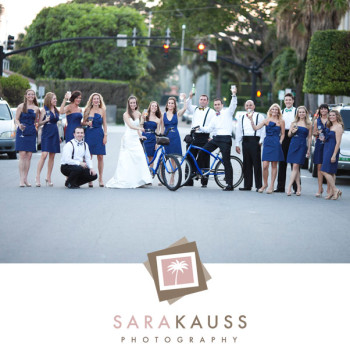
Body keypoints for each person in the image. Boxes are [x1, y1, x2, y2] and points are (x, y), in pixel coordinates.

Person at [106, 96, 152, 189]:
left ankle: (140, 180)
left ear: (136, 103)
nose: (132, 104)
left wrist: (140, 135)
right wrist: (139, 128)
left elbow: (138, 125)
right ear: (128, 104)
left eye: (134, 103)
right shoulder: (125, 114)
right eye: (131, 103)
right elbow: (131, 126)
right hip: (128, 138)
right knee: (128, 159)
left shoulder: (139, 113)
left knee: (139, 157)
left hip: (135, 138)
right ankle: (128, 180)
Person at [196, 87, 237, 191]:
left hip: (226, 139)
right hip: (216, 138)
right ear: (213, 106)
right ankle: (200, 172)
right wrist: (199, 128)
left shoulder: (228, 112)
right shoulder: (214, 116)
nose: (217, 106)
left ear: (222, 105)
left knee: (226, 161)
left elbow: (233, 105)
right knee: (202, 152)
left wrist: (234, 94)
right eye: (215, 105)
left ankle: (229, 184)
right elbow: (209, 128)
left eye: (218, 104)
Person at [249, 103, 285, 194]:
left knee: (274, 165)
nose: (274, 111)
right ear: (270, 110)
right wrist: (251, 120)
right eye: (273, 109)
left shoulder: (281, 121)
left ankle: (272, 185)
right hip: (268, 142)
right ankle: (265, 184)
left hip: (276, 143)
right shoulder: (266, 120)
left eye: (276, 110)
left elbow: (283, 133)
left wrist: (280, 141)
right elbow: (255, 128)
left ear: (278, 112)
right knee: (265, 166)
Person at [186, 92, 216, 187]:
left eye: (204, 100)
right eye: (201, 99)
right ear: (199, 101)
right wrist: (190, 97)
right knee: (190, 157)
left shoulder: (211, 112)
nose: (202, 101)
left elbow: (214, 125)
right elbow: (187, 105)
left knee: (205, 158)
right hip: (194, 136)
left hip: (205, 136)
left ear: (207, 102)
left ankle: (204, 180)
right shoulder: (195, 109)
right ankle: (189, 180)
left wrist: (211, 136)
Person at [235, 100, 265, 191]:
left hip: (255, 140)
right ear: (245, 107)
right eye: (247, 105)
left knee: (256, 164)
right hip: (245, 140)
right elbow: (239, 131)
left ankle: (259, 185)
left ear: (254, 106)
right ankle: (247, 185)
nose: (249, 107)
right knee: (247, 164)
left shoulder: (259, 116)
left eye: (251, 105)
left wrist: (261, 141)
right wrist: (237, 144)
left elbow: (263, 129)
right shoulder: (242, 117)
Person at [15, 89, 40, 187]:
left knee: (29, 156)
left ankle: (25, 178)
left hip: (31, 132)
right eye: (29, 94)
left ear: (34, 96)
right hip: (21, 131)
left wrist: (37, 127)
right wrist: (19, 124)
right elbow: (16, 119)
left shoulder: (36, 108)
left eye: (33, 94)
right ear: (25, 96)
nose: (31, 96)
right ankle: (21, 180)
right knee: (22, 155)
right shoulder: (21, 106)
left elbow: (36, 121)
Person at [35, 92, 61, 187]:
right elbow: (39, 123)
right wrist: (45, 120)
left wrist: (58, 137)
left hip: (54, 133)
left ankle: (48, 177)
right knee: (44, 155)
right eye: (54, 99)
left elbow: (56, 123)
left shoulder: (56, 110)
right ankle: (37, 177)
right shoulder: (44, 110)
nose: (56, 100)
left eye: (56, 99)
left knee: (52, 156)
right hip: (46, 133)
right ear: (49, 100)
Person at [286, 106, 312, 196]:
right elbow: (289, 135)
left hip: (302, 146)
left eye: (303, 112)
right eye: (300, 112)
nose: (301, 114)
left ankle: (289, 187)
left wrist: (309, 149)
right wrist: (293, 131)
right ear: (297, 113)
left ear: (306, 113)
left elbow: (309, 138)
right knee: (295, 167)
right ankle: (298, 187)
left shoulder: (309, 124)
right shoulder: (294, 123)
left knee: (296, 166)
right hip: (293, 144)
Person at [83, 93, 107, 187]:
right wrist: (87, 123)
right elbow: (83, 122)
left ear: (100, 100)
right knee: (89, 156)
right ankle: (90, 178)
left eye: (98, 99)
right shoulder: (87, 110)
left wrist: (105, 135)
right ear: (91, 100)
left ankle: (100, 178)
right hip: (89, 134)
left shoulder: (102, 110)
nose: (96, 100)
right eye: (94, 99)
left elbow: (104, 124)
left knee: (100, 156)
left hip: (99, 134)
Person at [275, 93, 297, 192]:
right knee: (282, 162)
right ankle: (280, 187)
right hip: (284, 135)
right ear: (284, 101)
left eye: (289, 100)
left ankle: (296, 187)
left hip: (294, 136)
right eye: (286, 100)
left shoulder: (296, 111)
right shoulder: (282, 111)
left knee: (294, 163)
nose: (288, 101)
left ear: (293, 101)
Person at [321, 110, 344, 200]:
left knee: (323, 170)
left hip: (332, 149)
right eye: (330, 115)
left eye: (333, 115)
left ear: (337, 116)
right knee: (331, 171)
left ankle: (335, 189)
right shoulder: (330, 125)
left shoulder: (338, 127)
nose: (331, 117)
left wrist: (334, 155)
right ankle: (332, 193)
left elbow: (338, 143)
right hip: (326, 148)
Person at [313, 104, 329, 197]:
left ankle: (329, 189)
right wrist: (317, 133)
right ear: (319, 111)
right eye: (321, 109)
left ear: (327, 110)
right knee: (319, 167)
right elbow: (314, 133)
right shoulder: (316, 121)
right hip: (319, 144)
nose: (323, 110)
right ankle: (319, 188)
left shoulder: (331, 120)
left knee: (326, 167)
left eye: (325, 109)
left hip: (328, 145)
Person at [140, 101, 162, 165]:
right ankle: (145, 173)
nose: (154, 107)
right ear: (150, 107)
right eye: (152, 106)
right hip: (145, 137)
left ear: (157, 108)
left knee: (151, 158)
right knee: (144, 157)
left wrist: (157, 143)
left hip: (152, 139)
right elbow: (140, 126)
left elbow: (157, 132)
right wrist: (143, 119)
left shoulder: (158, 119)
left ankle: (151, 174)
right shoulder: (145, 114)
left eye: (156, 106)